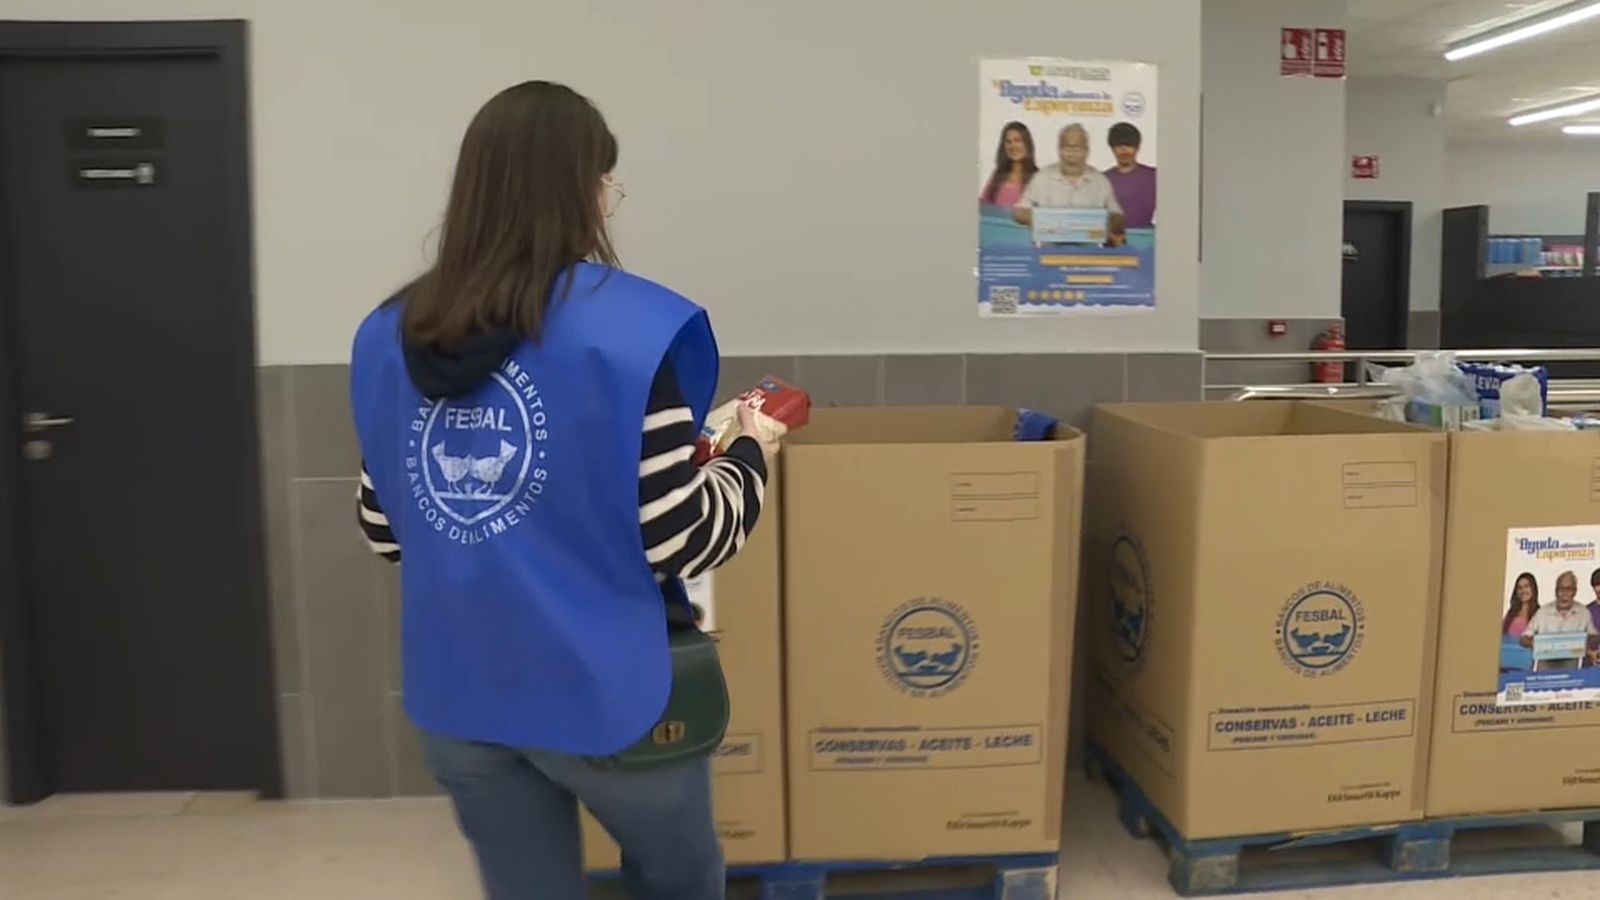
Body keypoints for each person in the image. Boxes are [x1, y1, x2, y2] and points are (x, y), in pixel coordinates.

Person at [348, 81, 778, 900]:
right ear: (577, 189)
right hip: (608, 696)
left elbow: (385, 528)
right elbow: (683, 538)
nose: (609, 202)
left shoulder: (390, 334)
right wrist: (749, 453)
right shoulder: (630, 332)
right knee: (680, 878)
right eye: (604, 182)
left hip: (464, 693)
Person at [1012, 123, 1122, 226]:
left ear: (1086, 151)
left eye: (1077, 148)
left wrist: (1111, 223)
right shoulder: (1041, 178)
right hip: (1048, 244)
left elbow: (1116, 215)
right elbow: (1020, 211)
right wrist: (1042, 221)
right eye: (1067, 147)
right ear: (1059, 149)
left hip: (1089, 246)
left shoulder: (1101, 182)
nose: (1072, 153)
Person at [1520, 571, 1599, 670]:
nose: (1564, 594)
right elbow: (1524, 638)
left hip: (1573, 670)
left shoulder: (1584, 613)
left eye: (1568, 589)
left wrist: (1584, 645)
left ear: (1575, 591)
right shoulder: (1542, 612)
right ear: (1555, 591)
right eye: (1560, 589)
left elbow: (1594, 636)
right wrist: (1533, 643)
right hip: (1543, 671)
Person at [1103, 121, 1156, 229]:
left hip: (1147, 240)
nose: (1124, 151)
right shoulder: (1102, 180)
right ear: (1112, 148)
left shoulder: (1154, 177)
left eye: (1128, 145)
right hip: (1113, 241)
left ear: (1137, 147)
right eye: (1119, 146)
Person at [980, 121, 1038, 208]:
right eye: (1008, 142)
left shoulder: (1038, 177)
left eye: (1017, 140)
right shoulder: (997, 175)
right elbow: (984, 205)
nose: (1013, 146)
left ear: (1027, 144)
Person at [1503, 572, 1539, 638]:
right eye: (1520, 588)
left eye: (1526, 586)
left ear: (1533, 588)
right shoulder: (1511, 613)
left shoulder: (1540, 614)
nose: (1523, 591)